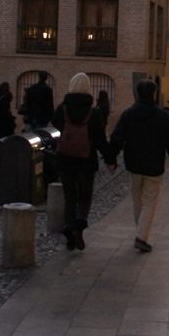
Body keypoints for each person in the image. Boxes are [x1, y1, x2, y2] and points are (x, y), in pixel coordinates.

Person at [106, 79, 169, 253]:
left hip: (133, 164)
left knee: (137, 201)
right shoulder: (163, 117)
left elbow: (117, 138)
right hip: (154, 165)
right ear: (154, 94)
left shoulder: (128, 114)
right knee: (149, 202)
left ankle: (141, 233)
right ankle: (141, 237)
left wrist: (111, 159)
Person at [51, 73, 109, 251]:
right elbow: (100, 139)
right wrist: (110, 158)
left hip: (65, 159)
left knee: (70, 197)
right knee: (84, 197)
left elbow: (55, 125)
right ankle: (78, 229)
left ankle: (69, 228)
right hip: (86, 161)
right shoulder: (94, 112)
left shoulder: (63, 109)